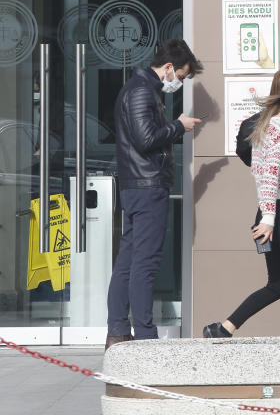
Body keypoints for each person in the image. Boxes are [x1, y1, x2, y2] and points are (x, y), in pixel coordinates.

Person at [203, 68, 280, 338]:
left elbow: (270, 172)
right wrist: (269, 220)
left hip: (270, 213)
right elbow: (270, 175)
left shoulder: (264, 126)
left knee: (278, 284)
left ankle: (224, 329)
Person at [106, 39, 204, 350]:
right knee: (144, 263)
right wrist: (179, 126)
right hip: (146, 186)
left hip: (139, 185)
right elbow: (146, 138)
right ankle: (145, 336)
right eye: (182, 76)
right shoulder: (140, 90)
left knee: (129, 261)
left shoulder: (142, 89)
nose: (181, 82)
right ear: (168, 68)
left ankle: (119, 332)